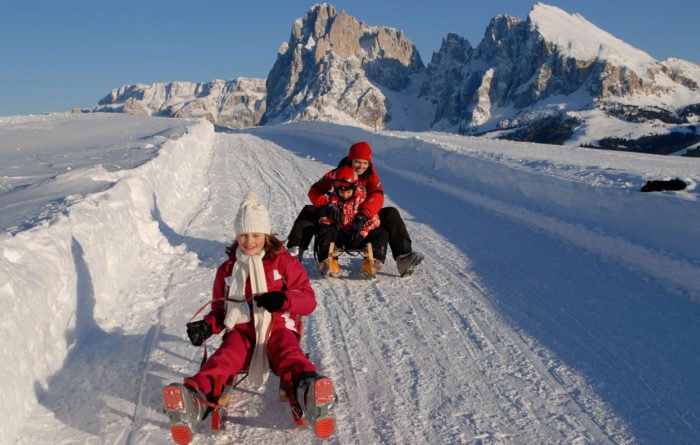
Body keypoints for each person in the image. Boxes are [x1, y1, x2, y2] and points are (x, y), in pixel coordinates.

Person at [162, 192, 335, 444]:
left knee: (289, 354)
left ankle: (311, 393)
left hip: (277, 329)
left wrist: (283, 299)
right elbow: (220, 311)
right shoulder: (228, 269)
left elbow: (308, 300)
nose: (249, 241)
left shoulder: (283, 263)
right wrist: (207, 327)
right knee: (224, 358)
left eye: (255, 235)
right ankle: (194, 400)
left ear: (266, 235)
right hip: (241, 332)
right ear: (236, 237)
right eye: (243, 235)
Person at [287, 141, 424, 277]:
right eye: (358, 162)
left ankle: (403, 256)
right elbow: (315, 190)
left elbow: (377, 196)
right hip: (339, 221)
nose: (361, 166)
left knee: (390, 213)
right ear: (350, 160)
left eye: (365, 163)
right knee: (310, 210)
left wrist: (364, 215)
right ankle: (295, 251)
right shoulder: (336, 174)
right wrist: (326, 205)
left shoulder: (371, 177)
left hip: (362, 218)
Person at [315, 165, 388, 276]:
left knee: (382, 231)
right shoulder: (332, 201)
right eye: (342, 193)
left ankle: (374, 262)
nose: (345, 195)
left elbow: (375, 220)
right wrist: (330, 216)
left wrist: (363, 228)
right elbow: (323, 220)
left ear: (354, 188)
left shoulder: (363, 200)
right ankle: (327, 261)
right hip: (340, 237)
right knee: (324, 229)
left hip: (360, 236)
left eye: (348, 192)